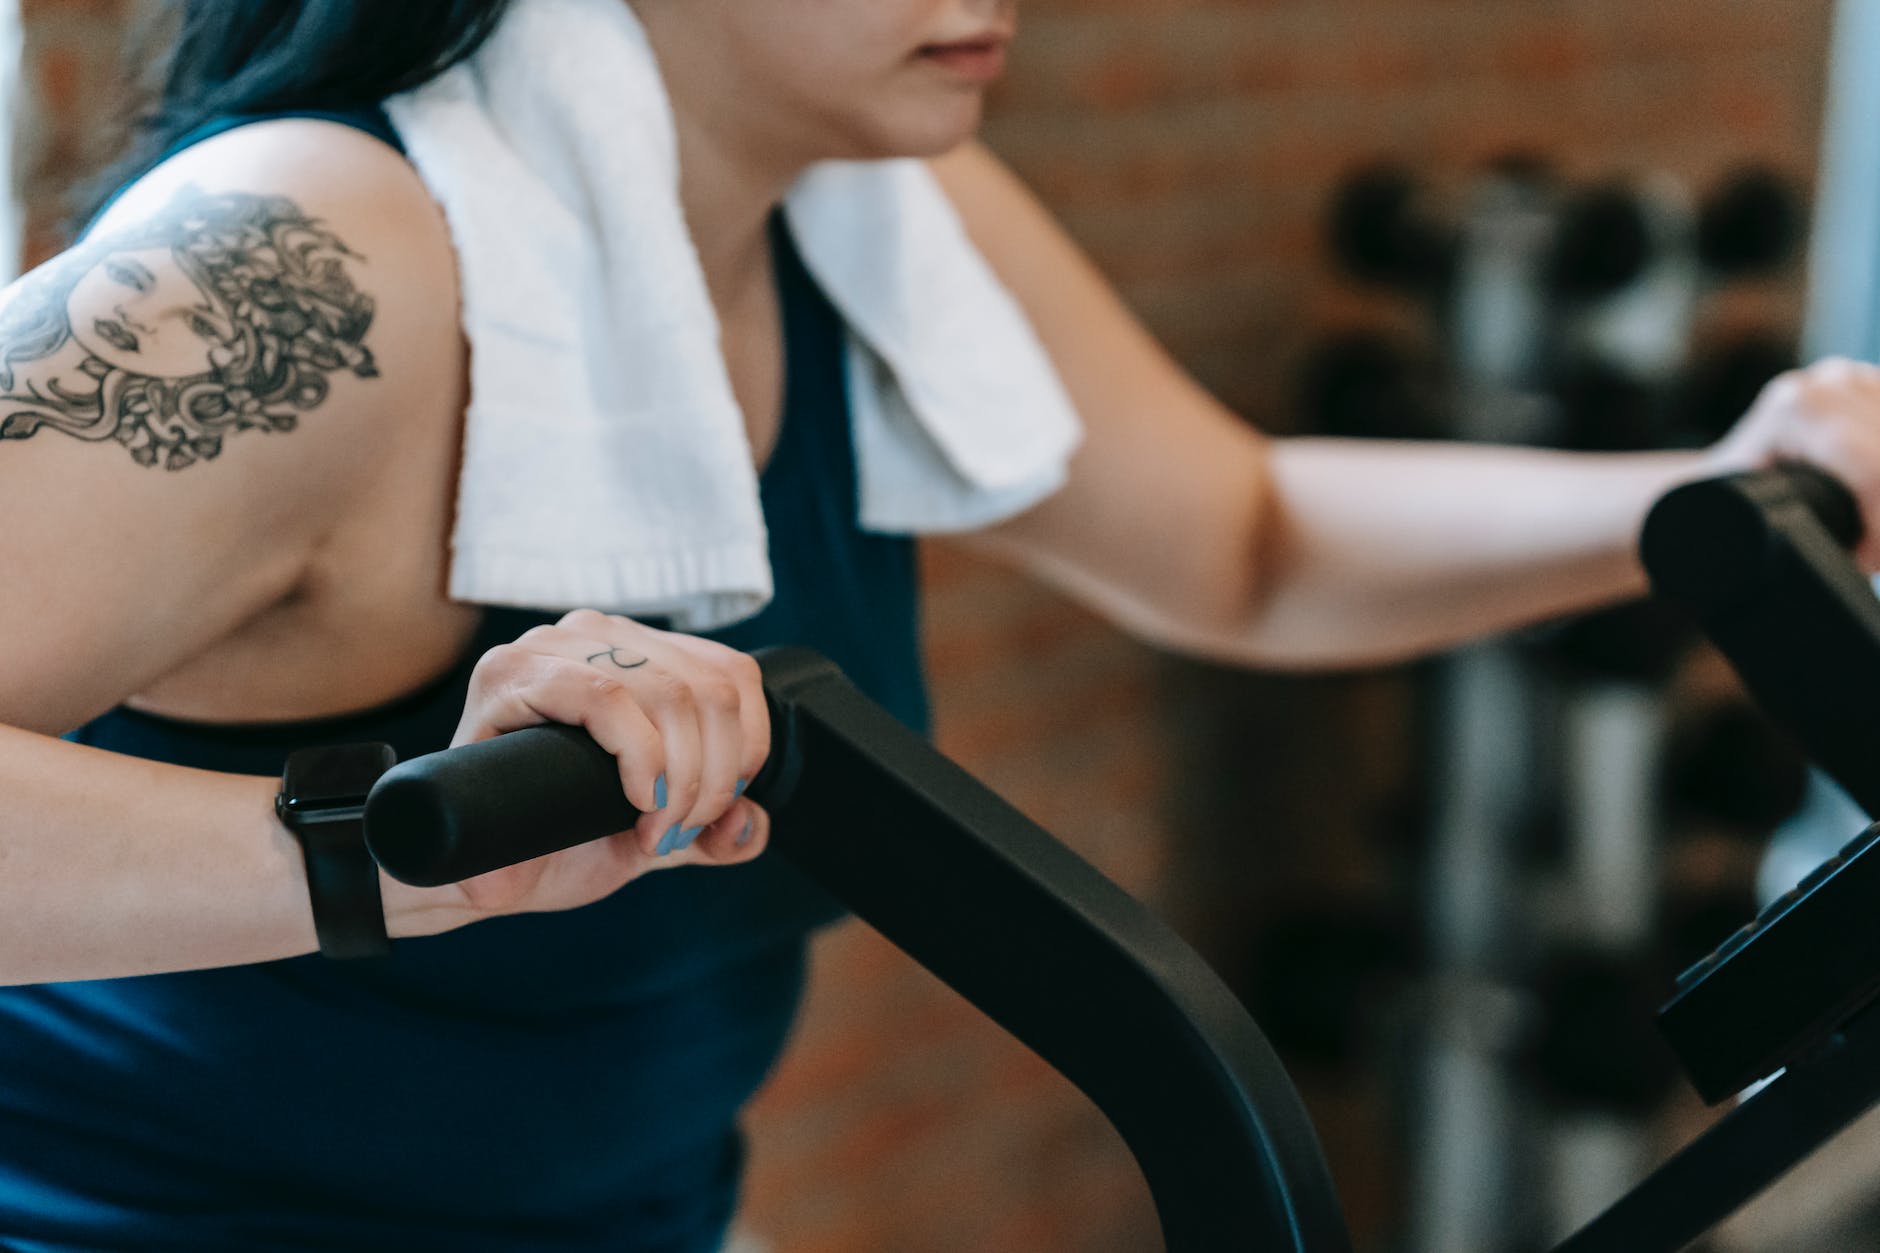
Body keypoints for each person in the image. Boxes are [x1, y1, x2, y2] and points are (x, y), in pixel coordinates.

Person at [2, 0, 1879, 1249]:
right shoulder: (306, 264)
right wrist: (403, 857)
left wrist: (1720, 490)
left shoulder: (849, 192)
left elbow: (1243, 536)